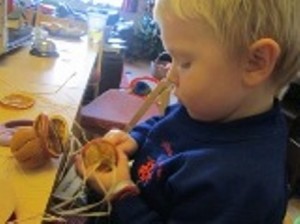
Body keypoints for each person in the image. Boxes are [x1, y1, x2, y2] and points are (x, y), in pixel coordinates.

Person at [75, 0, 300, 223]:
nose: (169, 76)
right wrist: (135, 139)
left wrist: (120, 192)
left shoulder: (242, 187)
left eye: (184, 62)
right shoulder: (209, 108)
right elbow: (164, 123)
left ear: (255, 62)